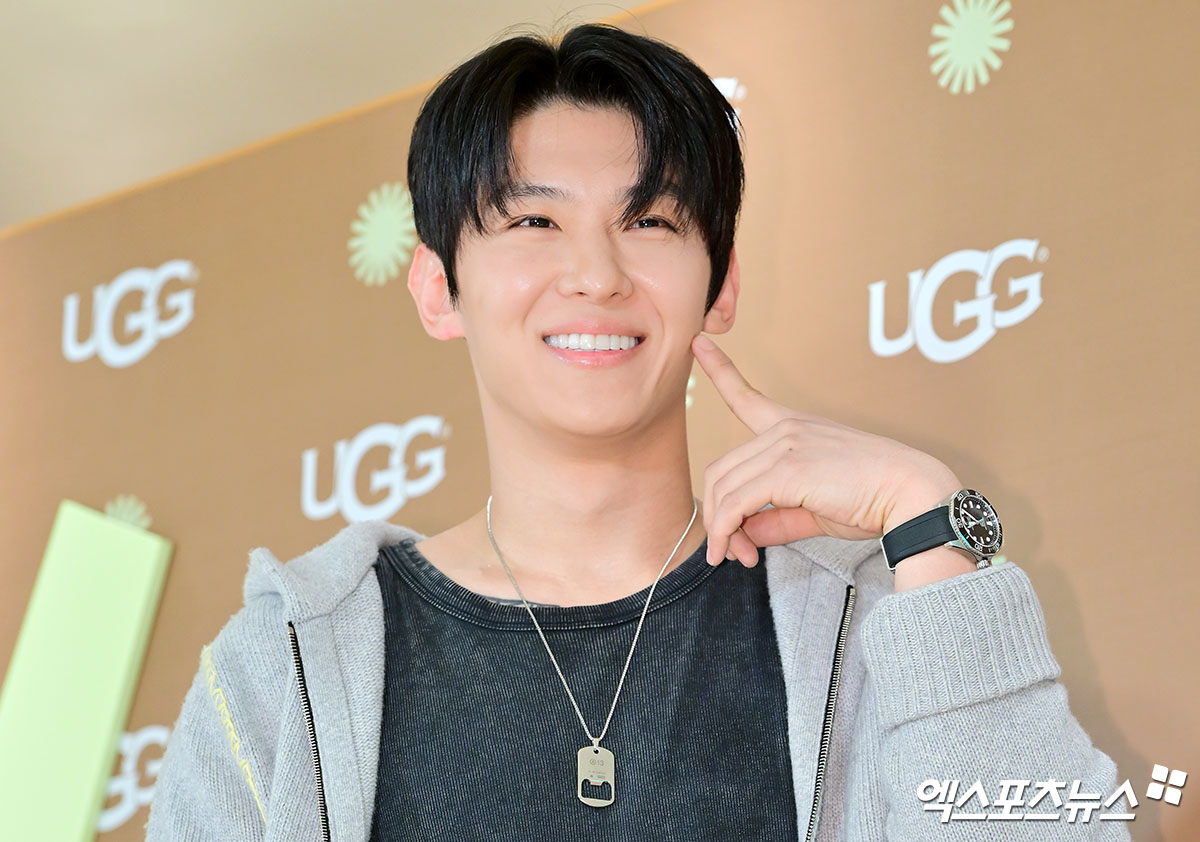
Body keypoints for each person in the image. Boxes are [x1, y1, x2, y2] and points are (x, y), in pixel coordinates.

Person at [145, 23, 1131, 841]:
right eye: (534, 224)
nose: (597, 276)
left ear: (722, 285)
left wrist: (927, 518)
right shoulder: (282, 665)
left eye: (650, 220)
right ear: (439, 287)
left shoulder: (879, 619)